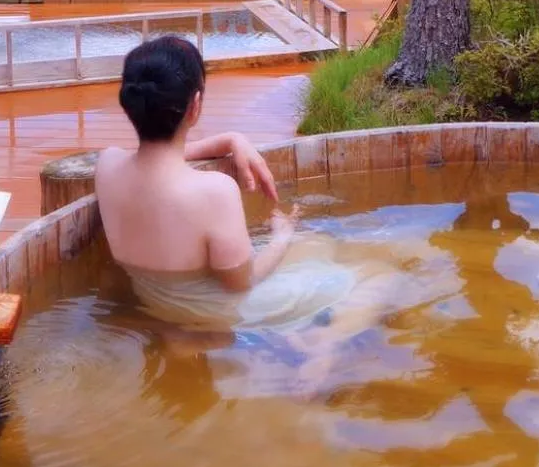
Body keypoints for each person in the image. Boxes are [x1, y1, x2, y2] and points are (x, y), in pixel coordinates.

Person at [95, 35, 359, 334]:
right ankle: (319, 351)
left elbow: (158, 156)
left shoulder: (108, 165)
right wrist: (282, 236)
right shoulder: (214, 192)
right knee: (353, 275)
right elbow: (242, 283)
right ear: (195, 105)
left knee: (320, 249)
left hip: (154, 304)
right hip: (217, 314)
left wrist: (230, 140)